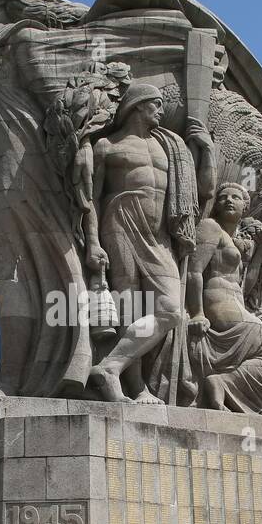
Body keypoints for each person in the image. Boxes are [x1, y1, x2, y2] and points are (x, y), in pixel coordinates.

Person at [0, 0, 93, 398]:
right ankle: (11, 373)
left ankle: (35, 373)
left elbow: (68, 102)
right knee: (4, 269)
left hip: (23, 167)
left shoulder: (23, 40)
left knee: (35, 259)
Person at [87, 84, 198, 404]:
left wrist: (202, 148)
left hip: (159, 235)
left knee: (171, 310)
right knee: (129, 307)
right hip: (119, 223)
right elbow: (91, 199)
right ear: (137, 106)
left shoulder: (170, 147)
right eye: (156, 105)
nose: (161, 111)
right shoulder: (107, 146)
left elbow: (197, 191)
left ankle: (110, 367)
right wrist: (93, 241)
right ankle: (133, 387)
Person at [185, 183, 262, 412]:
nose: (229, 200)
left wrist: (260, 251)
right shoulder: (211, 228)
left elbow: (244, 286)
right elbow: (194, 271)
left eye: (235, 197)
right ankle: (223, 385)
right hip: (217, 302)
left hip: (236, 302)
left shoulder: (236, 243)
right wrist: (198, 313)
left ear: (244, 208)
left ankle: (233, 387)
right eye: (223, 197)